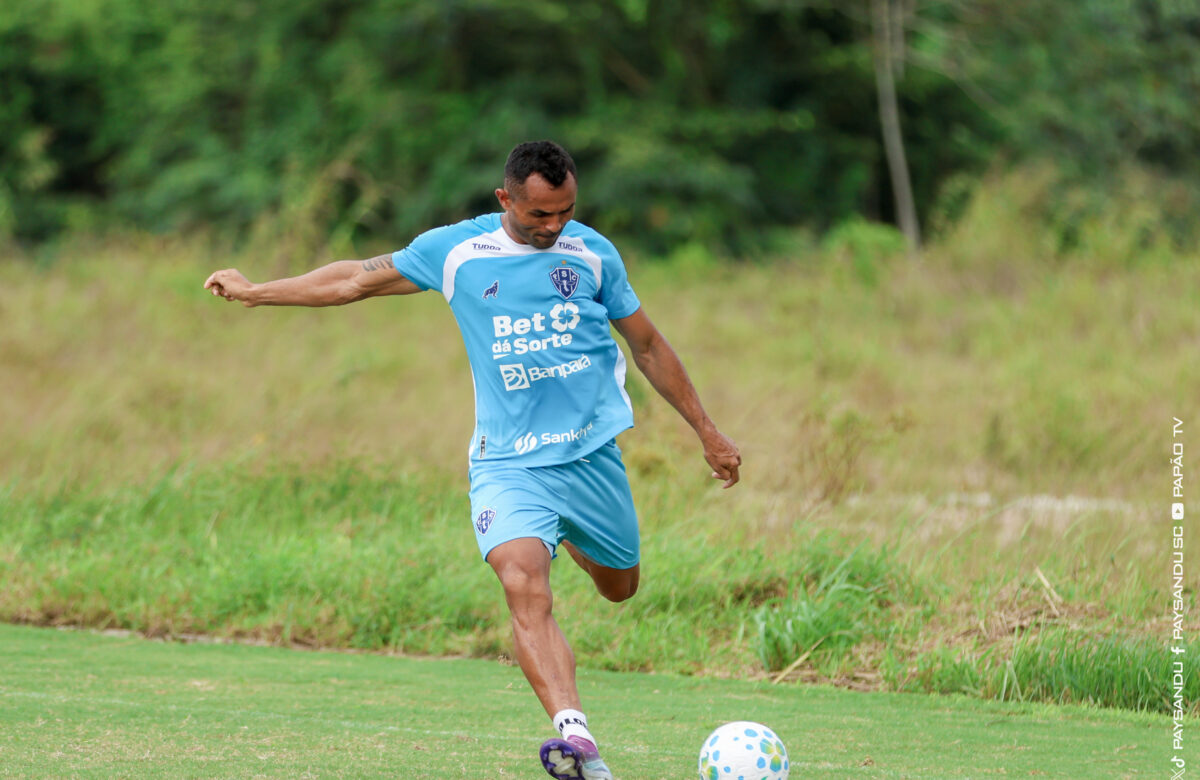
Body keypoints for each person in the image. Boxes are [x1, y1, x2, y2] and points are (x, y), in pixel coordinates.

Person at [204, 140, 741, 779]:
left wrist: (707, 432)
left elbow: (648, 346)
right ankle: (577, 741)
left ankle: (567, 534)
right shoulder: (455, 251)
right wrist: (258, 291)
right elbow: (352, 278)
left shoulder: (593, 252)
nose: (553, 227)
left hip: (591, 456)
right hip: (506, 463)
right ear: (505, 198)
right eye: (539, 215)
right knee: (522, 583)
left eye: (565, 212)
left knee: (619, 587)